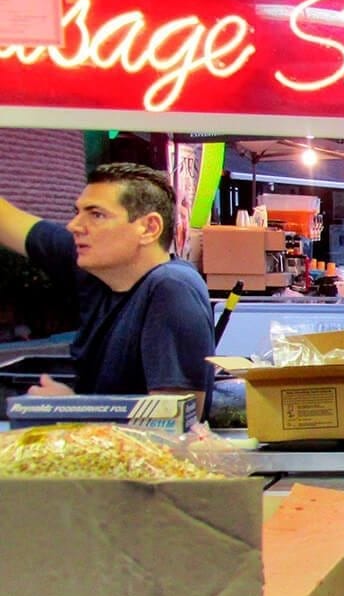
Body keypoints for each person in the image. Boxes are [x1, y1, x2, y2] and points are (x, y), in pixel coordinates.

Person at [0, 163, 215, 417]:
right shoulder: (95, 269)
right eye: (77, 212)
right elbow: (9, 221)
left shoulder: (171, 288)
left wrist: (73, 409)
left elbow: (176, 422)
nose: (75, 226)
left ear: (148, 228)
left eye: (97, 215)